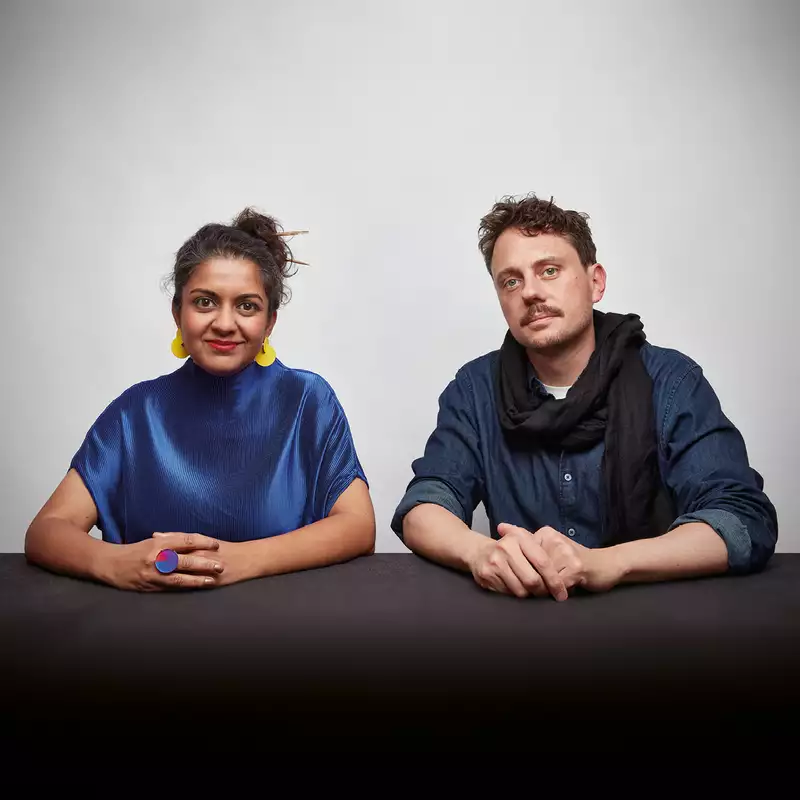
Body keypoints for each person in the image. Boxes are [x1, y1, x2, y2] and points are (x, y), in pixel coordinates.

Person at [392, 194, 777, 600]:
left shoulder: (670, 381)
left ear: (596, 282)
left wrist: (608, 563)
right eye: (511, 280)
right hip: (524, 630)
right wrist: (481, 553)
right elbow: (424, 505)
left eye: (550, 270)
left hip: (658, 629)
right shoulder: (474, 390)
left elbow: (741, 519)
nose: (530, 292)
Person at [26, 208, 375, 590]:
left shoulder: (307, 401)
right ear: (178, 313)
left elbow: (358, 525)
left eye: (247, 306)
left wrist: (240, 561)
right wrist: (114, 562)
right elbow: (46, 531)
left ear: (270, 322)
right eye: (205, 302)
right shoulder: (136, 412)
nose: (225, 323)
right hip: (151, 634)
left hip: (281, 631)